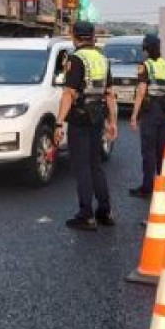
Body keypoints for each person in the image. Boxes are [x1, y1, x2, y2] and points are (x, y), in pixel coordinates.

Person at [53, 21, 118, 231]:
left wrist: (59, 122)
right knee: (95, 165)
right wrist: (113, 122)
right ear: (92, 36)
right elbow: (109, 94)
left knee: (81, 167)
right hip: (98, 115)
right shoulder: (102, 58)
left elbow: (69, 93)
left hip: (80, 117)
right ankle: (105, 212)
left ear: (74, 35)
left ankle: (86, 215)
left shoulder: (75, 58)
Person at [128, 34, 165, 198]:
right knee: (160, 148)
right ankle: (162, 183)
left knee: (148, 150)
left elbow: (141, 91)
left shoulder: (145, 65)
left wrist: (134, 115)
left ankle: (147, 187)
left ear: (146, 48)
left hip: (150, 110)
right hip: (164, 110)